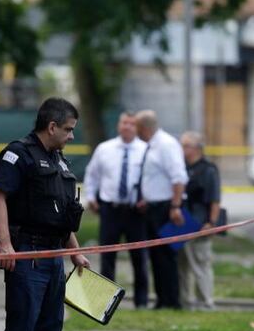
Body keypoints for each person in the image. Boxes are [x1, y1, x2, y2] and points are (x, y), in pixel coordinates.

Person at [0, 97, 91, 331]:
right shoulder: (18, 154)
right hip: (27, 256)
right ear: (52, 126)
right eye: (69, 130)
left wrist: (76, 253)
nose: (71, 136)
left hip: (54, 258)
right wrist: (5, 244)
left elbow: (61, 217)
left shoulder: (59, 160)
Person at [84, 112, 149, 308]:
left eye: (131, 124)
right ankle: (106, 303)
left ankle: (142, 303)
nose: (127, 126)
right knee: (107, 257)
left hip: (135, 212)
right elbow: (92, 175)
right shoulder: (105, 149)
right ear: (118, 125)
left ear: (137, 127)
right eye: (124, 123)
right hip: (110, 209)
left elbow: (152, 179)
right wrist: (91, 197)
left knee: (139, 258)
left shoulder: (146, 150)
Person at [134, 110, 188, 309]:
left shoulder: (166, 145)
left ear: (144, 128)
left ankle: (172, 301)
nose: (135, 131)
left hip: (166, 207)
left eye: (137, 127)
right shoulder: (151, 146)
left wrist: (175, 206)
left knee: (166, 256)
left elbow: (179, 177)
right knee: (156, 256)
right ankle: (162, 299)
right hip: (152, 207)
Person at [178, 131, 221, 310]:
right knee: (183, 266)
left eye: (185, 145)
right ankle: (186, 302)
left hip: (200, 224)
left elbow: (215, 200)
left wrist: (211, 223)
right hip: (181, 224)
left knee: (201, 265)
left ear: (196, 148)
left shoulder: (209, 170)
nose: (182, 149)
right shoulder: (181, 167)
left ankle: (205, 302)